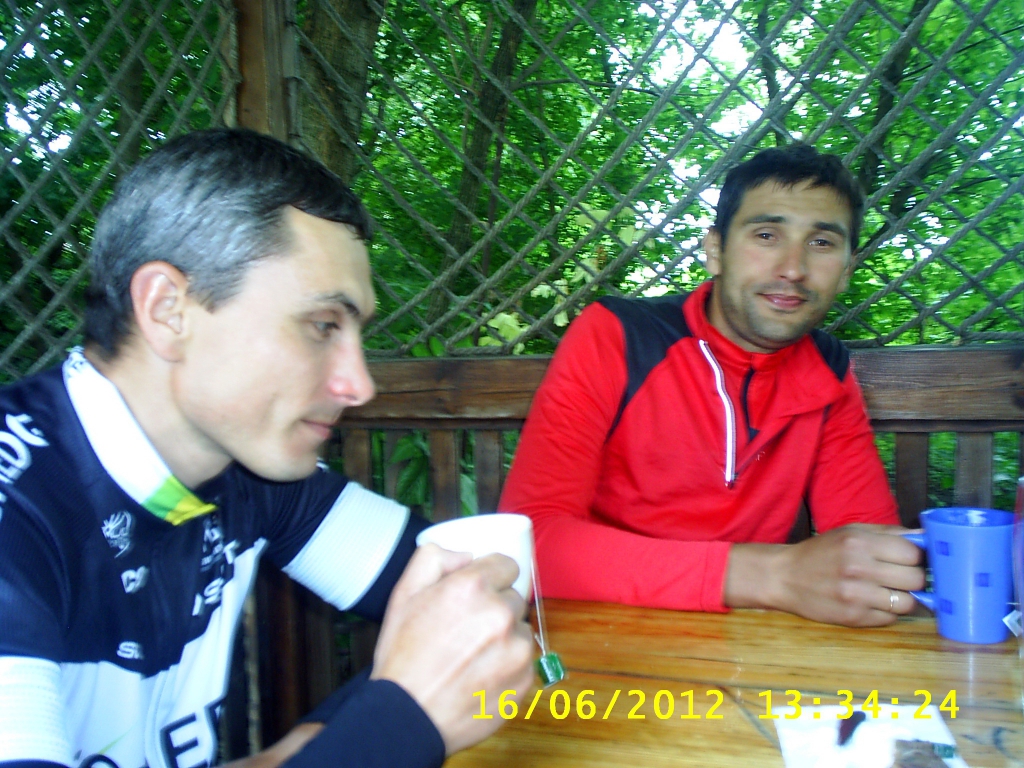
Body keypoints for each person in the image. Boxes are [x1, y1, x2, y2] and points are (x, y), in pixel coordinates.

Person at [0, 129, 534, 768]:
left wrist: (314, 747)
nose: (358, 385)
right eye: (321, 326)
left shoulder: (248, 473)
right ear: (168, 310)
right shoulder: (18, 506)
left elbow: (470, 598)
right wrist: (400, 718)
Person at [499, 143, 925, 628]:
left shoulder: (826, 370)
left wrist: (884, 581)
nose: (793, 268)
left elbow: (868, 549)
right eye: (766, 235)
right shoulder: (618, 336)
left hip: (742, 645)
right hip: (600, 630)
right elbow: (530, 543)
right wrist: (771, 576)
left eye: (822, 243)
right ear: (716, 250)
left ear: (846, 271)